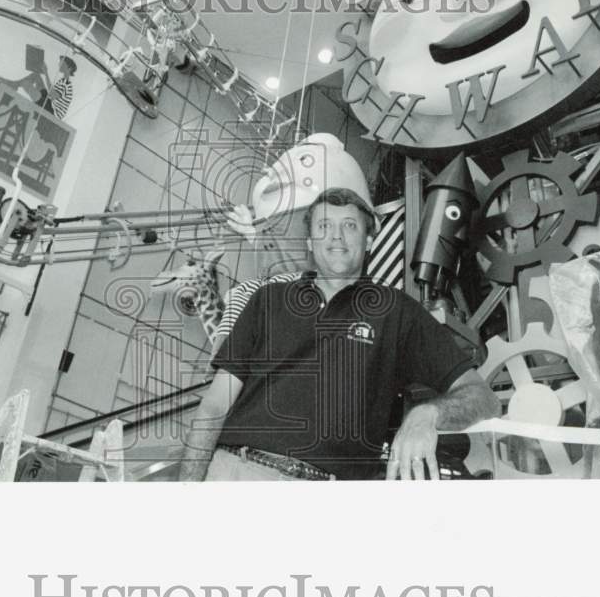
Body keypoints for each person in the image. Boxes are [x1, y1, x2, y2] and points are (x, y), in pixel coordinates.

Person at [179, 187, 500, 481]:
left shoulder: (396, 313)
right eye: (323, 227)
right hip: (236, 472)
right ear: (309, 242)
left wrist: (428, 413)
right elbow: (214, 407)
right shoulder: (266, 300)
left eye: (350, 226)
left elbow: (483, 398)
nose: (336, 237)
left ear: (370, 240)